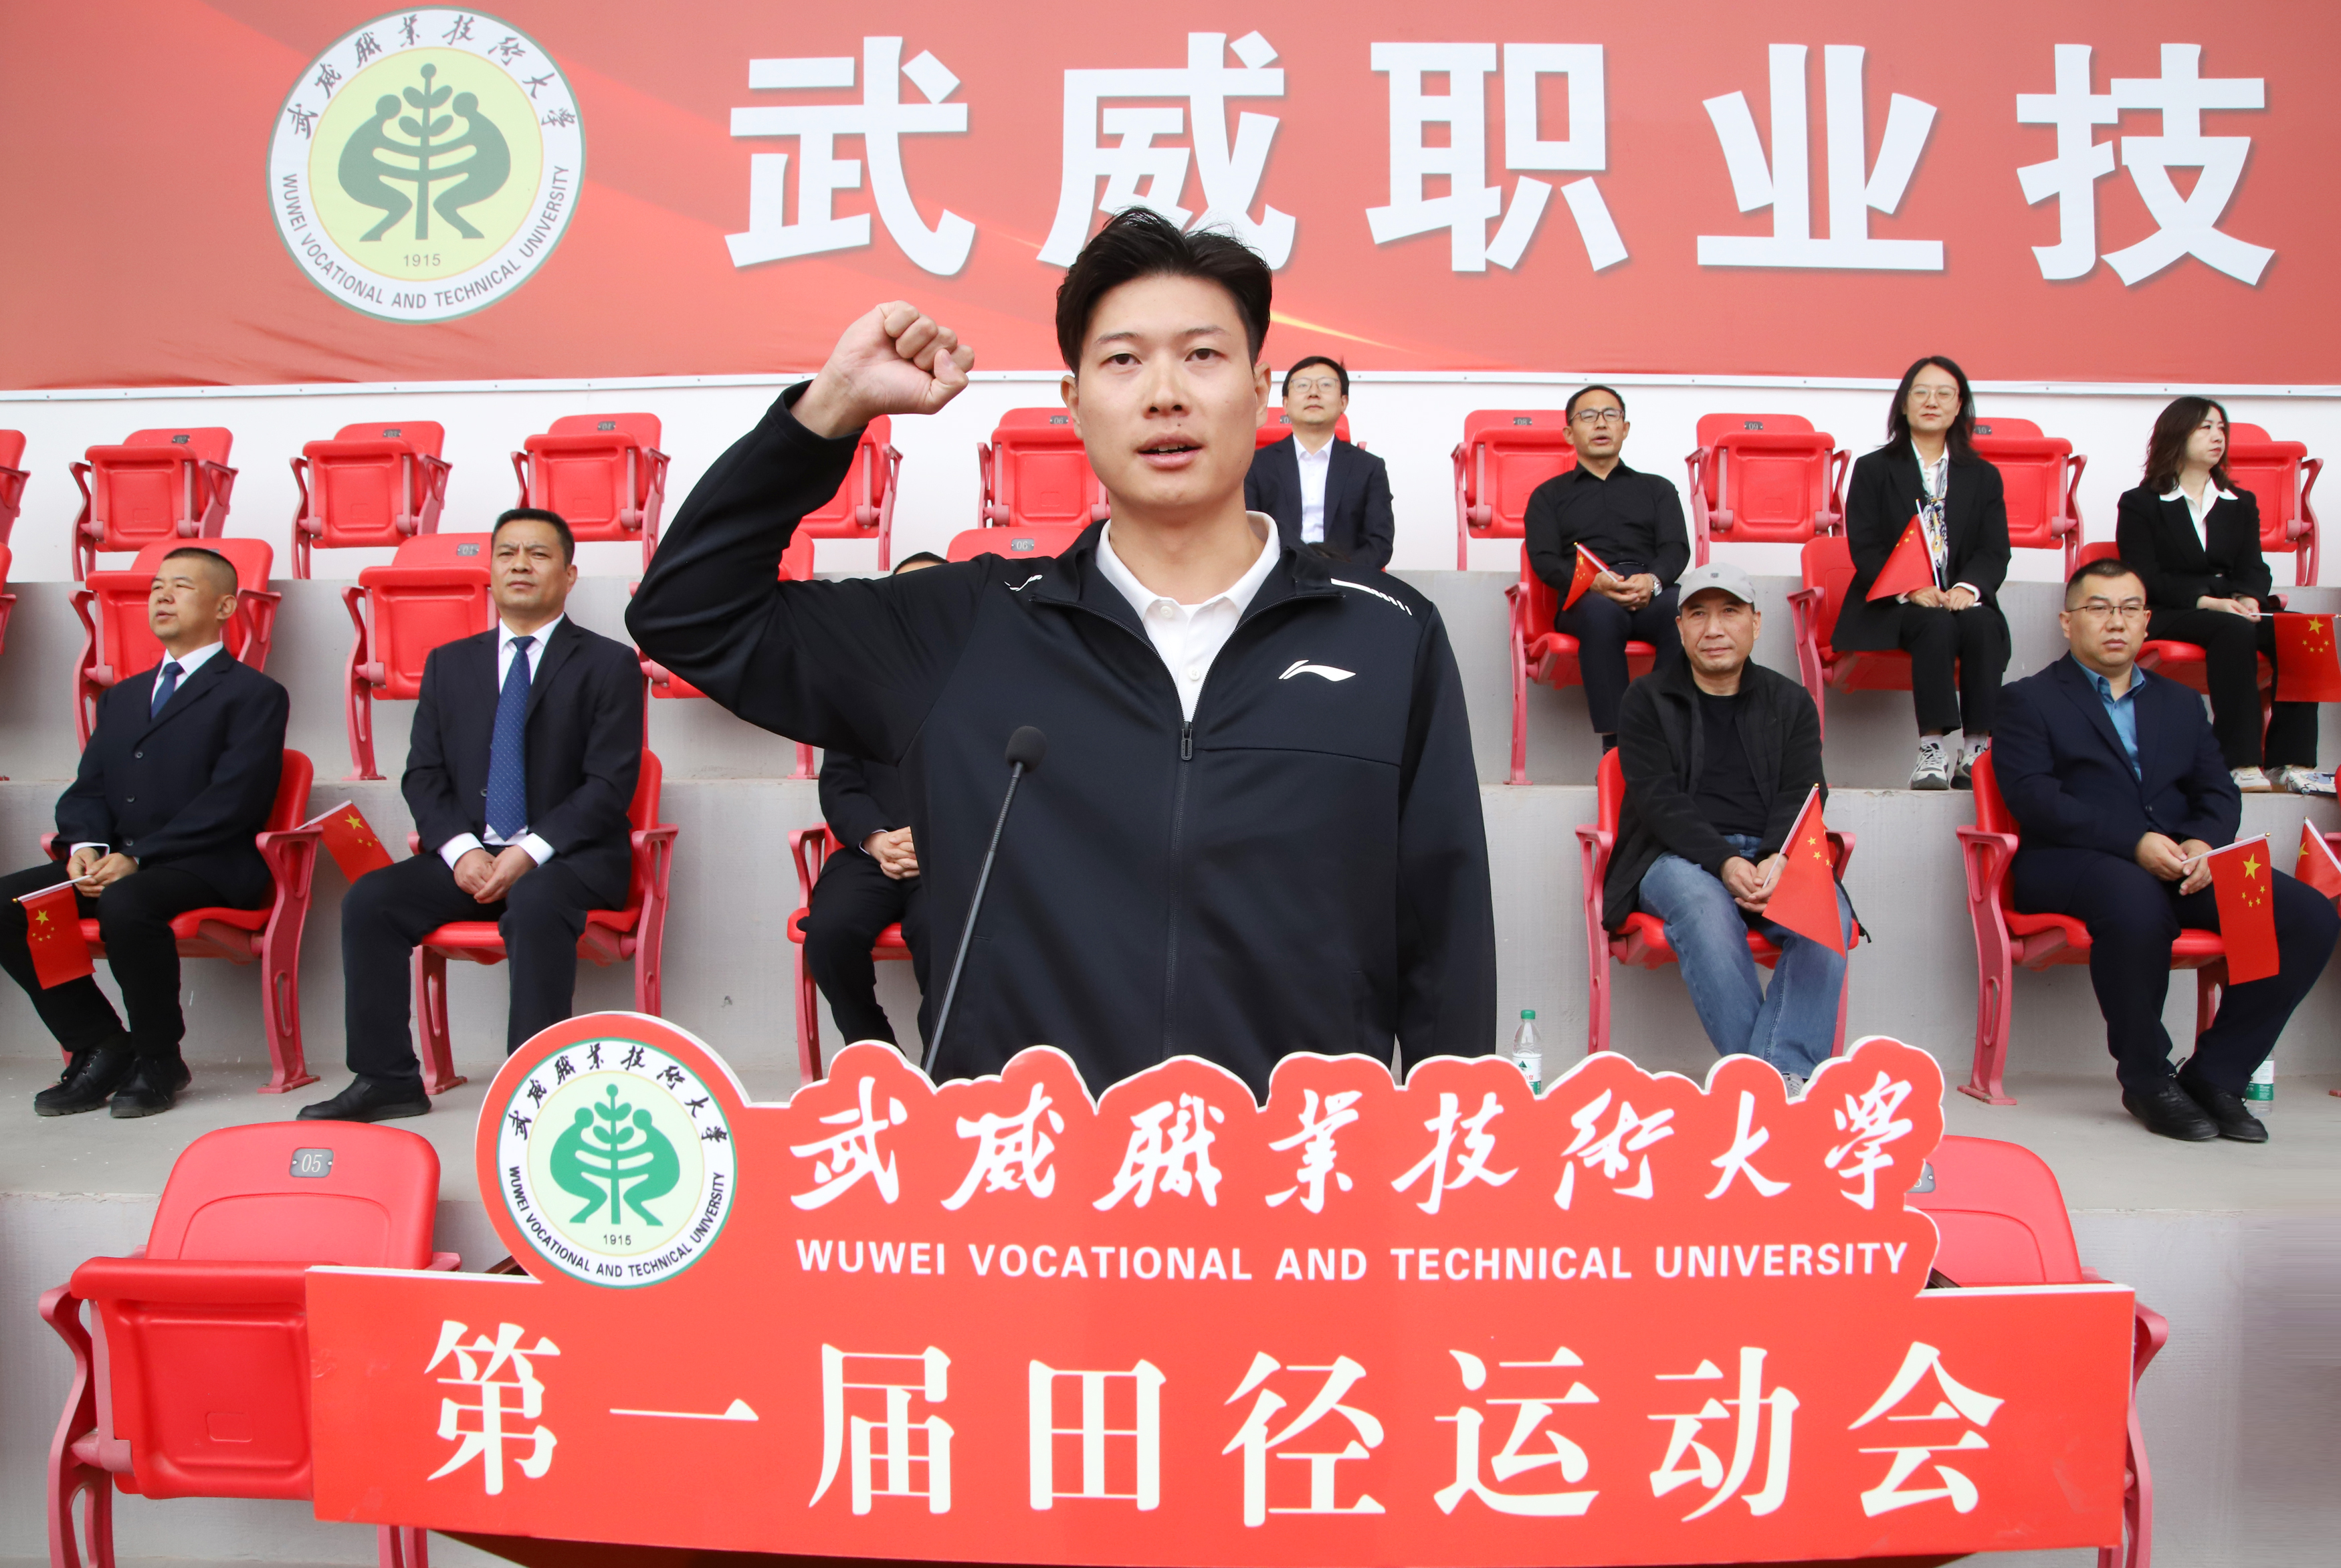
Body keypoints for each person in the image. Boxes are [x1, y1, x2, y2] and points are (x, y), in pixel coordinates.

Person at [629, 209, 1494, 1097]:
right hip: (1024, 1165)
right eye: (1123, 360)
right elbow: (690, 614)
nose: (1165, 393)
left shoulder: (1386, 636)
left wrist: (1451, 1147)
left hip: (1295, 1163)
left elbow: (1445, 940)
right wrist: (830, 409)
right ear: (1074, 402)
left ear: (1259, 387)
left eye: (1202, 354)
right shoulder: (967, 627)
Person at [302, 509, 643, 1122]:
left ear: (569, 575)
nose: (520, 564)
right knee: (371, 900)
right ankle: (387, 1079)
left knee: (535, 900)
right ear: (489, 570)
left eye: (538, 554)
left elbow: (609, 784)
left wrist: (527, 852)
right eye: (507, 552)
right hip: (474, 857)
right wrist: (461, 851)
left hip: (568, 858)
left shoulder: (608, 663)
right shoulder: (449, 662)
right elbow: (424, 774)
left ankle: (533, 1090)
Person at [1995, 556, 2338, 1142]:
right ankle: (2147, 1078)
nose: (2116, 622)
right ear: (2067, 621)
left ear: (2147, 621)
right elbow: (2034, 797)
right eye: (2099, 608)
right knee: (2134, 901)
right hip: (2074, 860)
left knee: (2307, 915)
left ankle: (2217, 1074)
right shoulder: (2028, 699)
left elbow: (2218, 790)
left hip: (2182, 863)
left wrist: (2204, 842)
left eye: (2130, 609)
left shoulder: (2180, 702)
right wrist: (2133, 842)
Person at [0, 548, 288, 1117]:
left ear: (225, 606)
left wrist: (139, 856)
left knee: (128, 901)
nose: (162, 596)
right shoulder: (123, 697)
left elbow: (235, 801)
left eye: (181, 586)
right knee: (10, 905)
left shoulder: (254, 694)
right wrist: (86, 847)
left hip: (207, 863)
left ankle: (159, 1058)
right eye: (157, 586)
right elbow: (88, 789)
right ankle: (102, 1043)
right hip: (121, 863)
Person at [1603, 561, 1851, 1087]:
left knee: (1829, 913)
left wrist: (1778, 856)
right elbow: (1657, 799)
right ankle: (1776, 1086)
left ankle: (1774, 1079)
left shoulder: (1791, 702)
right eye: (1698, 614)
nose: (1713, 629)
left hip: (1771, 854)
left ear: (1756, 623)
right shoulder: (1646, 700)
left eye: (1730, 612)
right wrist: (1725, 861)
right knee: (1703, 906)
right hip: (1676, 857)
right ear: (1679, 628)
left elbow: (1805, 788)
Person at [2115, 396, 2320, 794]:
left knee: (2301, 631)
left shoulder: (2240, 503)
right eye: (2205, 428)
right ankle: (2240, 761)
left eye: (2222, 428)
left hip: (2229, 606)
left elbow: (2254, 567)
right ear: (2177, 435)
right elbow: (2143, 577)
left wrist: (2250, 598)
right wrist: (2207, 601)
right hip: (2170, 609)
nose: (2218, 436)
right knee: (2232, 629)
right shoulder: (2141, 503)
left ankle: (2290, 761)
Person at [1835, 356, 2011, 790]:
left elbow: (1994, 549)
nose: (1932, 402)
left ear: (1959, 406)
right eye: (1922, 392)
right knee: (1934, 623)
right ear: (1904, 404)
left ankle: (1976, 749)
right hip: (1894, 603)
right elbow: (1866, 545)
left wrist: (1968, 588)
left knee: (1983, 623)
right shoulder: (1874, 469)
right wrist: (1912, 589)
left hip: (1959, 599)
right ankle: (1931, 749)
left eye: (1944, 394)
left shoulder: (1983, 476)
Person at [803, 554, 942, 1049]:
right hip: (871, 852)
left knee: (946, 936)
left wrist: (934, 843)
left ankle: (941, 1064)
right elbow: (839, 784)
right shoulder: (856, 687)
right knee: (829, 933)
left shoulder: (984, 682)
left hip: (950, 856)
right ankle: (874, 1051)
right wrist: (879, 840)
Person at [1522, 384, 1690, 748]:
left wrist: (1652, 581)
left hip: (1647, 590)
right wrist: (1593, 583)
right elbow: (1544, 559)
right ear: (1569, 433)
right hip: (1588, 597)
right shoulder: (1548, 496)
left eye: (1610, 415)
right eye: (1588, 416)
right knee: (1602, 615)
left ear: (1624, 429)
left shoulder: (1658, 489)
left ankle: (1664, 733)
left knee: (1684, 610)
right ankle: (1618, 746)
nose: (1601, 423)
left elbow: (1675, 548)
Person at [1243, 356, 1395, 568]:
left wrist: (1341, 573)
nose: (1313, 393)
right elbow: (1247, 534)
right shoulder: (1255, 465)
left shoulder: (1369, 468)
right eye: (1302, 385)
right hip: (1276, 577)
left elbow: (1380, 543)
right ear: (1286, 404)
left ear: (1343, 402)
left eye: (1326, 385)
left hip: (1346, 578)